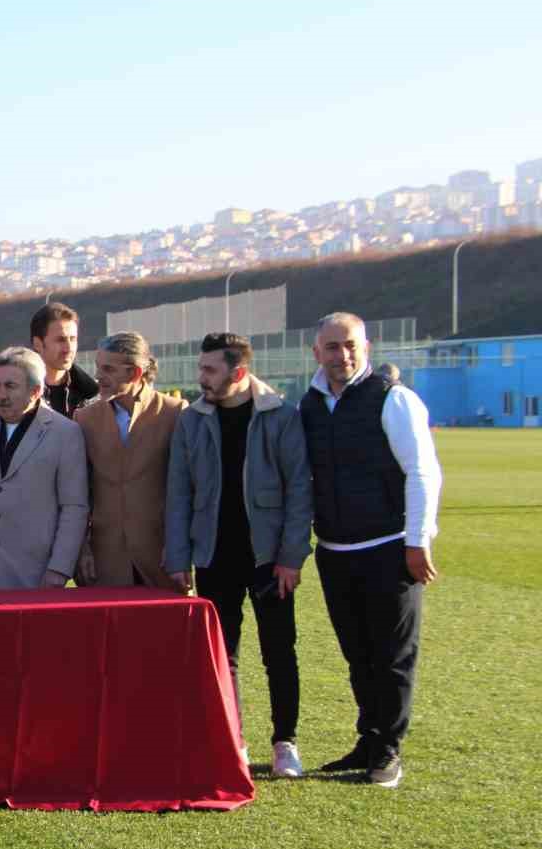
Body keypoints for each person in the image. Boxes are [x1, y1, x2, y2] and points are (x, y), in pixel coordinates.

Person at [301, 312, 441, 788]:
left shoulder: (393, 398)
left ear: (367, 346)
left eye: (351, 346)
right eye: (333, 347)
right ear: (316, 353)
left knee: (393, 655)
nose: (343, 355)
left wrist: (418, 540)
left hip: (388, 548)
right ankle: (368, 738)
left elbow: (423, 472)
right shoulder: (311, 404)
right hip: (335, 550)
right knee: (357, 654)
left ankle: (388, 750)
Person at [165, 333, 313, 778]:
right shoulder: (192, 420)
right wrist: (179, 558)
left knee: (279, 650)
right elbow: (179, 493)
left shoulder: (281, 416)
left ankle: (285, 742)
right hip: (213, 555)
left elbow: (299, 490)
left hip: (269, 557)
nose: (200, 378)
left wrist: (291, 556)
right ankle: (234, 739)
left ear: (239, 373)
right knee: (221, 653)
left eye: (210, 370)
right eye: (201, 368)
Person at [0, 347, 88, 590]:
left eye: (10, 386)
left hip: (37, 572)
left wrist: (60, 567)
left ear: (36, 391)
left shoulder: (65, 433)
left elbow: (74, 507)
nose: (0, 394)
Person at [75, 331, 187, 588]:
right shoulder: (85, 419)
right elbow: (78, 493)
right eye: (97, 367)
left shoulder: (175, 413)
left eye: (108, 369)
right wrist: (82, 550)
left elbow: (184, 489)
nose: (98, 376)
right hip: (104, 562)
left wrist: (178, 550)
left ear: (134, 373)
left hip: (161, 559)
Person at [31, 303, 99, 418]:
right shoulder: (8, 395)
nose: (69, 348)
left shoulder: (92, 396)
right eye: (60, 340)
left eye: (73, 339)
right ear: (38, 344)